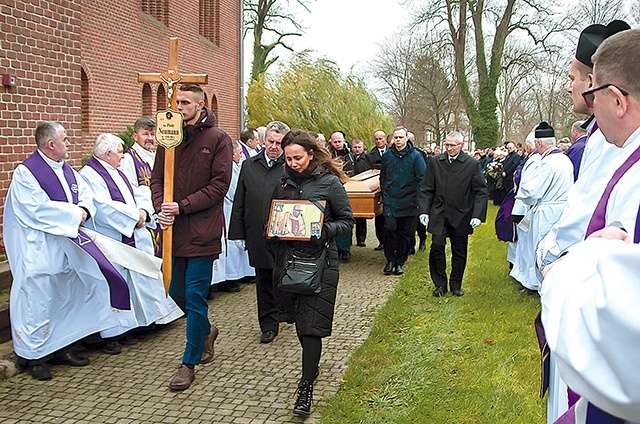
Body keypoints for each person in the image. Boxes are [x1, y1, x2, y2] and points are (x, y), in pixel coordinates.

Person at [4, 121, 132, 380]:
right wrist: (76, 214)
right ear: (51, 144)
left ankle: (64, 346)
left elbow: (85, 195)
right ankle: (35, 355)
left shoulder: (68, 170)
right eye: (65, 139)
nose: (69, 143)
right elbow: (35, 209)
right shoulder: (26, 173)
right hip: (41, 248)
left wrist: (84, 210)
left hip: (69, 246)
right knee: (40, 300)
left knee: (68, 296)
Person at [151, 83, 232, 390]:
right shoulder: (168, 137)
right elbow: (157, 179)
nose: (179, 106)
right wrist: (161, 207)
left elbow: (218, 187)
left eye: (185, 102)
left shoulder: (218, 139)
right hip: (173, 231)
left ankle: (189, 362)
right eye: (177, 101)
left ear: (200, 105)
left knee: (196, 297)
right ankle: (207, 331)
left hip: (202, 231)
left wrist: (181, 206)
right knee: (176, 293)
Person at [268, 129, 354, 416]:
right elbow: (273, 216)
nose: (293, 163)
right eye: (288, 158)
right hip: (288, 262)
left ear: (311, 154)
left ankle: (306, 386)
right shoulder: (282, 183)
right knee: (297, 322)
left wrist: (320, 230)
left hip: (320, 265)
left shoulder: (329, 183)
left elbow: (346, 221)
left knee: (311, 326)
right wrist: (272, 232)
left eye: (298, 157)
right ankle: (311, 367)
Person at [80, 134, 182, 335]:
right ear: (108, 154)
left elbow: (138, 192)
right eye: (119, 151)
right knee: (120, 281)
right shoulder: (89, 175)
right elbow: (103, 205)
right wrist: (133, 217)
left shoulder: (116, 171)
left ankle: (151, 318)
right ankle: (118, 331)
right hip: (112, 236)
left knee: (142, 276)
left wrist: (143, 211)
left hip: (132, 231)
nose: (122, 156)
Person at [229, 121, 290, 344]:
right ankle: (268, 324)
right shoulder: (248, 165)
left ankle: (286, 311)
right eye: (270, 141)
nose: (274, 146)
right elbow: (240, 201)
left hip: (284, 233)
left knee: (283, 277)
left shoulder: (290, 166)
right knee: (263, 280)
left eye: (279, 143)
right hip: (257, 232)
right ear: (263, 141)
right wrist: (237, 234)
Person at [418, 131, 487, 297]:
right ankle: (440, 284)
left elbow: (481, 190)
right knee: (437, 247)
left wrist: (477, 215)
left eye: (453, 145)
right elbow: (426, 188)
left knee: (459, 250)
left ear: (461, 146)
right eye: (447, 145)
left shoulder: (471, 164)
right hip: (439, 213)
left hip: (461, 213)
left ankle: (456, 284)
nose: (449, 148)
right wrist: (424, 211)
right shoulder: (435, 162)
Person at [509, 123, 573, 293]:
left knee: (540, 247)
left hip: (546, 211)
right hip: (561, 208)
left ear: (538, 144)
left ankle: (538, 284)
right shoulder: (565, 159)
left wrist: (520, 191)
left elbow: (533, 191)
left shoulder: (548, 163)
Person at [380, 126, 426, 275]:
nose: (398, 140)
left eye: (401, 137)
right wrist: (385, 193)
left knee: (405, 233)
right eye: (396, 137)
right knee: (389, 230)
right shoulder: (387, 156)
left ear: (406, 138)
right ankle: (390, 260)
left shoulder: (416, 156)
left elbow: (421, 179)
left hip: (409, 201)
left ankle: (400, 261)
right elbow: (383, 176)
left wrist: (419, 200)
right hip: (391, 200)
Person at [211, 140, 255, 293]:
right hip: (228, 208)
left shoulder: (235, 166)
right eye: (239, 153)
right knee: (229, 245)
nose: (241, 156)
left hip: (233, 208)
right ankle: (229, 277)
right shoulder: (226, 168)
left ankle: (237, 274)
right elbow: (231, 191)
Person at [120, 117, 161, 256]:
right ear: (135, 136)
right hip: (145, 221)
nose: (150, 138)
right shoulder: (129, 159)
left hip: (161, 218)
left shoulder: (156, 157)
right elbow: (129, 191)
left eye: (153, 134)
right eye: (145, 134)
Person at [328, 131, 354, 261]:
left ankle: (345, 249)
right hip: (332, 188)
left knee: (346, 218)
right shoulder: (327, 155)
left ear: (344, 141)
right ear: (331, 142)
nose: (338, 144)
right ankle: (337, 248)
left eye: (340, 141)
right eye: (335, 142)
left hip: (348, 188)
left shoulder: (350, 155)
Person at [366, 130, 388, 251]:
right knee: (379, 217)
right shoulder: (370, 155)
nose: (379, 141)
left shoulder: (392, 153)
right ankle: (381, 241)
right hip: (376, 187)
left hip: (388, 187)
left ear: (385, 139)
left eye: (381, 138)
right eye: (376, 139)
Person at [350, 138, 372, 246]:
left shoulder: (367, 158)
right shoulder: (349, 158)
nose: (357, 149)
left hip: (362, 187)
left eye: (359, 147)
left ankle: (361, 239)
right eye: (355, 147)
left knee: (361, 217)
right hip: (349, 187)